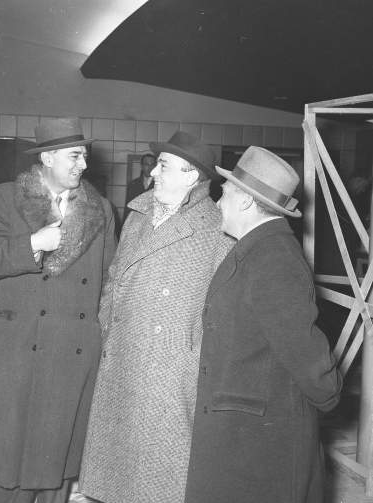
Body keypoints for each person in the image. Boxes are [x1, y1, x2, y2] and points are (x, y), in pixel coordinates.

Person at [79, 131, 234, 503]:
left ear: (191, 174)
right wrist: (106, 327)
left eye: (163, 166)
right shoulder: (139, 214)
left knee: (160, 471)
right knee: (117, 458)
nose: (152, 174)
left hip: (172, 365)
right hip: (124, 352)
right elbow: (115, 277)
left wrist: (196, 358)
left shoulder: (218, 227)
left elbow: (224, 309)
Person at [185, 146, 343, 503]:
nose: (217, 203)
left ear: (245, 202)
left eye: (225, 193)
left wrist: (329, 394)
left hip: (260, 439)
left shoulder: (274, 259)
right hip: (242, 428)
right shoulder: (256, 248)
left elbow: (306, 353)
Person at [0, 117, 116, 503]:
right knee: (14, 457)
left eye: (85, 156)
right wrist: (33, 242)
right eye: (74, 156)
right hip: (20, 344)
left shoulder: (100, 209)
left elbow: (110, 277)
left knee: (59, 457)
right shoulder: (5, 198)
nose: (83, 164)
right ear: (48, 157)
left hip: (74, 344)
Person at [123, 153, 157, 221]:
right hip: (135, 222)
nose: (150, 168)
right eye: (146, 164)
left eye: (152, 165)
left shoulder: (159, 184)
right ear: (141, 166)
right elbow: (127, 209)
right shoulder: (133, 184)